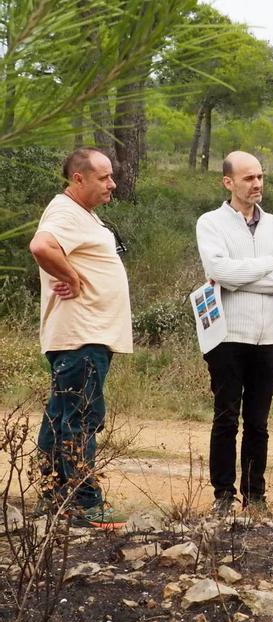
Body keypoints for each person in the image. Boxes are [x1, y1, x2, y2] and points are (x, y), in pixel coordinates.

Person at [28, 148, 131, 529]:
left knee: (61, 415)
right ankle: (83, 504)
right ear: (79, 178)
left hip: (86, 335)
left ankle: (55, 497)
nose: (112, 184)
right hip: (80, 335)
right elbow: (41, 247)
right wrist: (71, 277)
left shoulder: (83, 215)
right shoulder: (64, 211)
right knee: (82, 417)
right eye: (104, 177)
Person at [195, 151, 273, 518]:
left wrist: (243, 277)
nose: (256, 184)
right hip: (228, 336)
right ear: (229, 182)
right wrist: (268, 266)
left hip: (270, 336)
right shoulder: (210, 223)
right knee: (226, 416)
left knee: (258, 421)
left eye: (259, 177)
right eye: (248, 178)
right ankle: (223, 495)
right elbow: (220, 271)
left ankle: (255, 495)